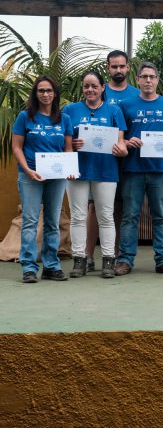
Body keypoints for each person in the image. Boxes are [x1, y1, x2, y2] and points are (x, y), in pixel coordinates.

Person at [115, 62, 163, 276]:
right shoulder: (125, 106)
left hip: (160, 170)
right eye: (144, 76)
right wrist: (127, 141)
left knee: (161, 216)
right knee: (130, 216)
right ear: (137, 79)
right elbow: (118, 139)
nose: (148, 80)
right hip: (132, 169)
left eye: (152, 77)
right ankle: (125, 261)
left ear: (157, 80)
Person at [63, 71, 128, 279]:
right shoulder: (70, 110)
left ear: (102, 88)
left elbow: (120, 141)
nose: (89, 90)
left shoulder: (114, 110)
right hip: (76, 170)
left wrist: (121, 149)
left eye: (94, 86)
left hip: (106, 170)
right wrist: (72, 144)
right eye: (86, 86)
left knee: (105, 216)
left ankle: (108, 260)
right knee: (78, 217)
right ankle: (79, 260)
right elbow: (63, 142)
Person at [80, 50, 139, 273]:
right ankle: (87, 255)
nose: (118, 70)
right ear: (107, 68)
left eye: (122, 66)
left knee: (121, 209)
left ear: (128, 68)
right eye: (114, 66)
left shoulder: (135, 95)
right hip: (100, 164)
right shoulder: (95, 94)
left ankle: (112, 255)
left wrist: (130, 142)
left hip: (129, 163)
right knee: (95, 208)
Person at [11, 76, 73, 283]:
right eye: (41, 90)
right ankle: (29, 267)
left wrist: (70, 168)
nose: (45, 94)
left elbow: (68, 148)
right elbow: (17, 146)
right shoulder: (25, 117)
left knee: (52, 222)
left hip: (56, 178)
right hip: (31, 176)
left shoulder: (64, 119)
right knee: (29, 221)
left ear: (55, 93)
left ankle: (51, 266)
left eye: (49, 90)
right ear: (35, 94)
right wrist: (28, 170)